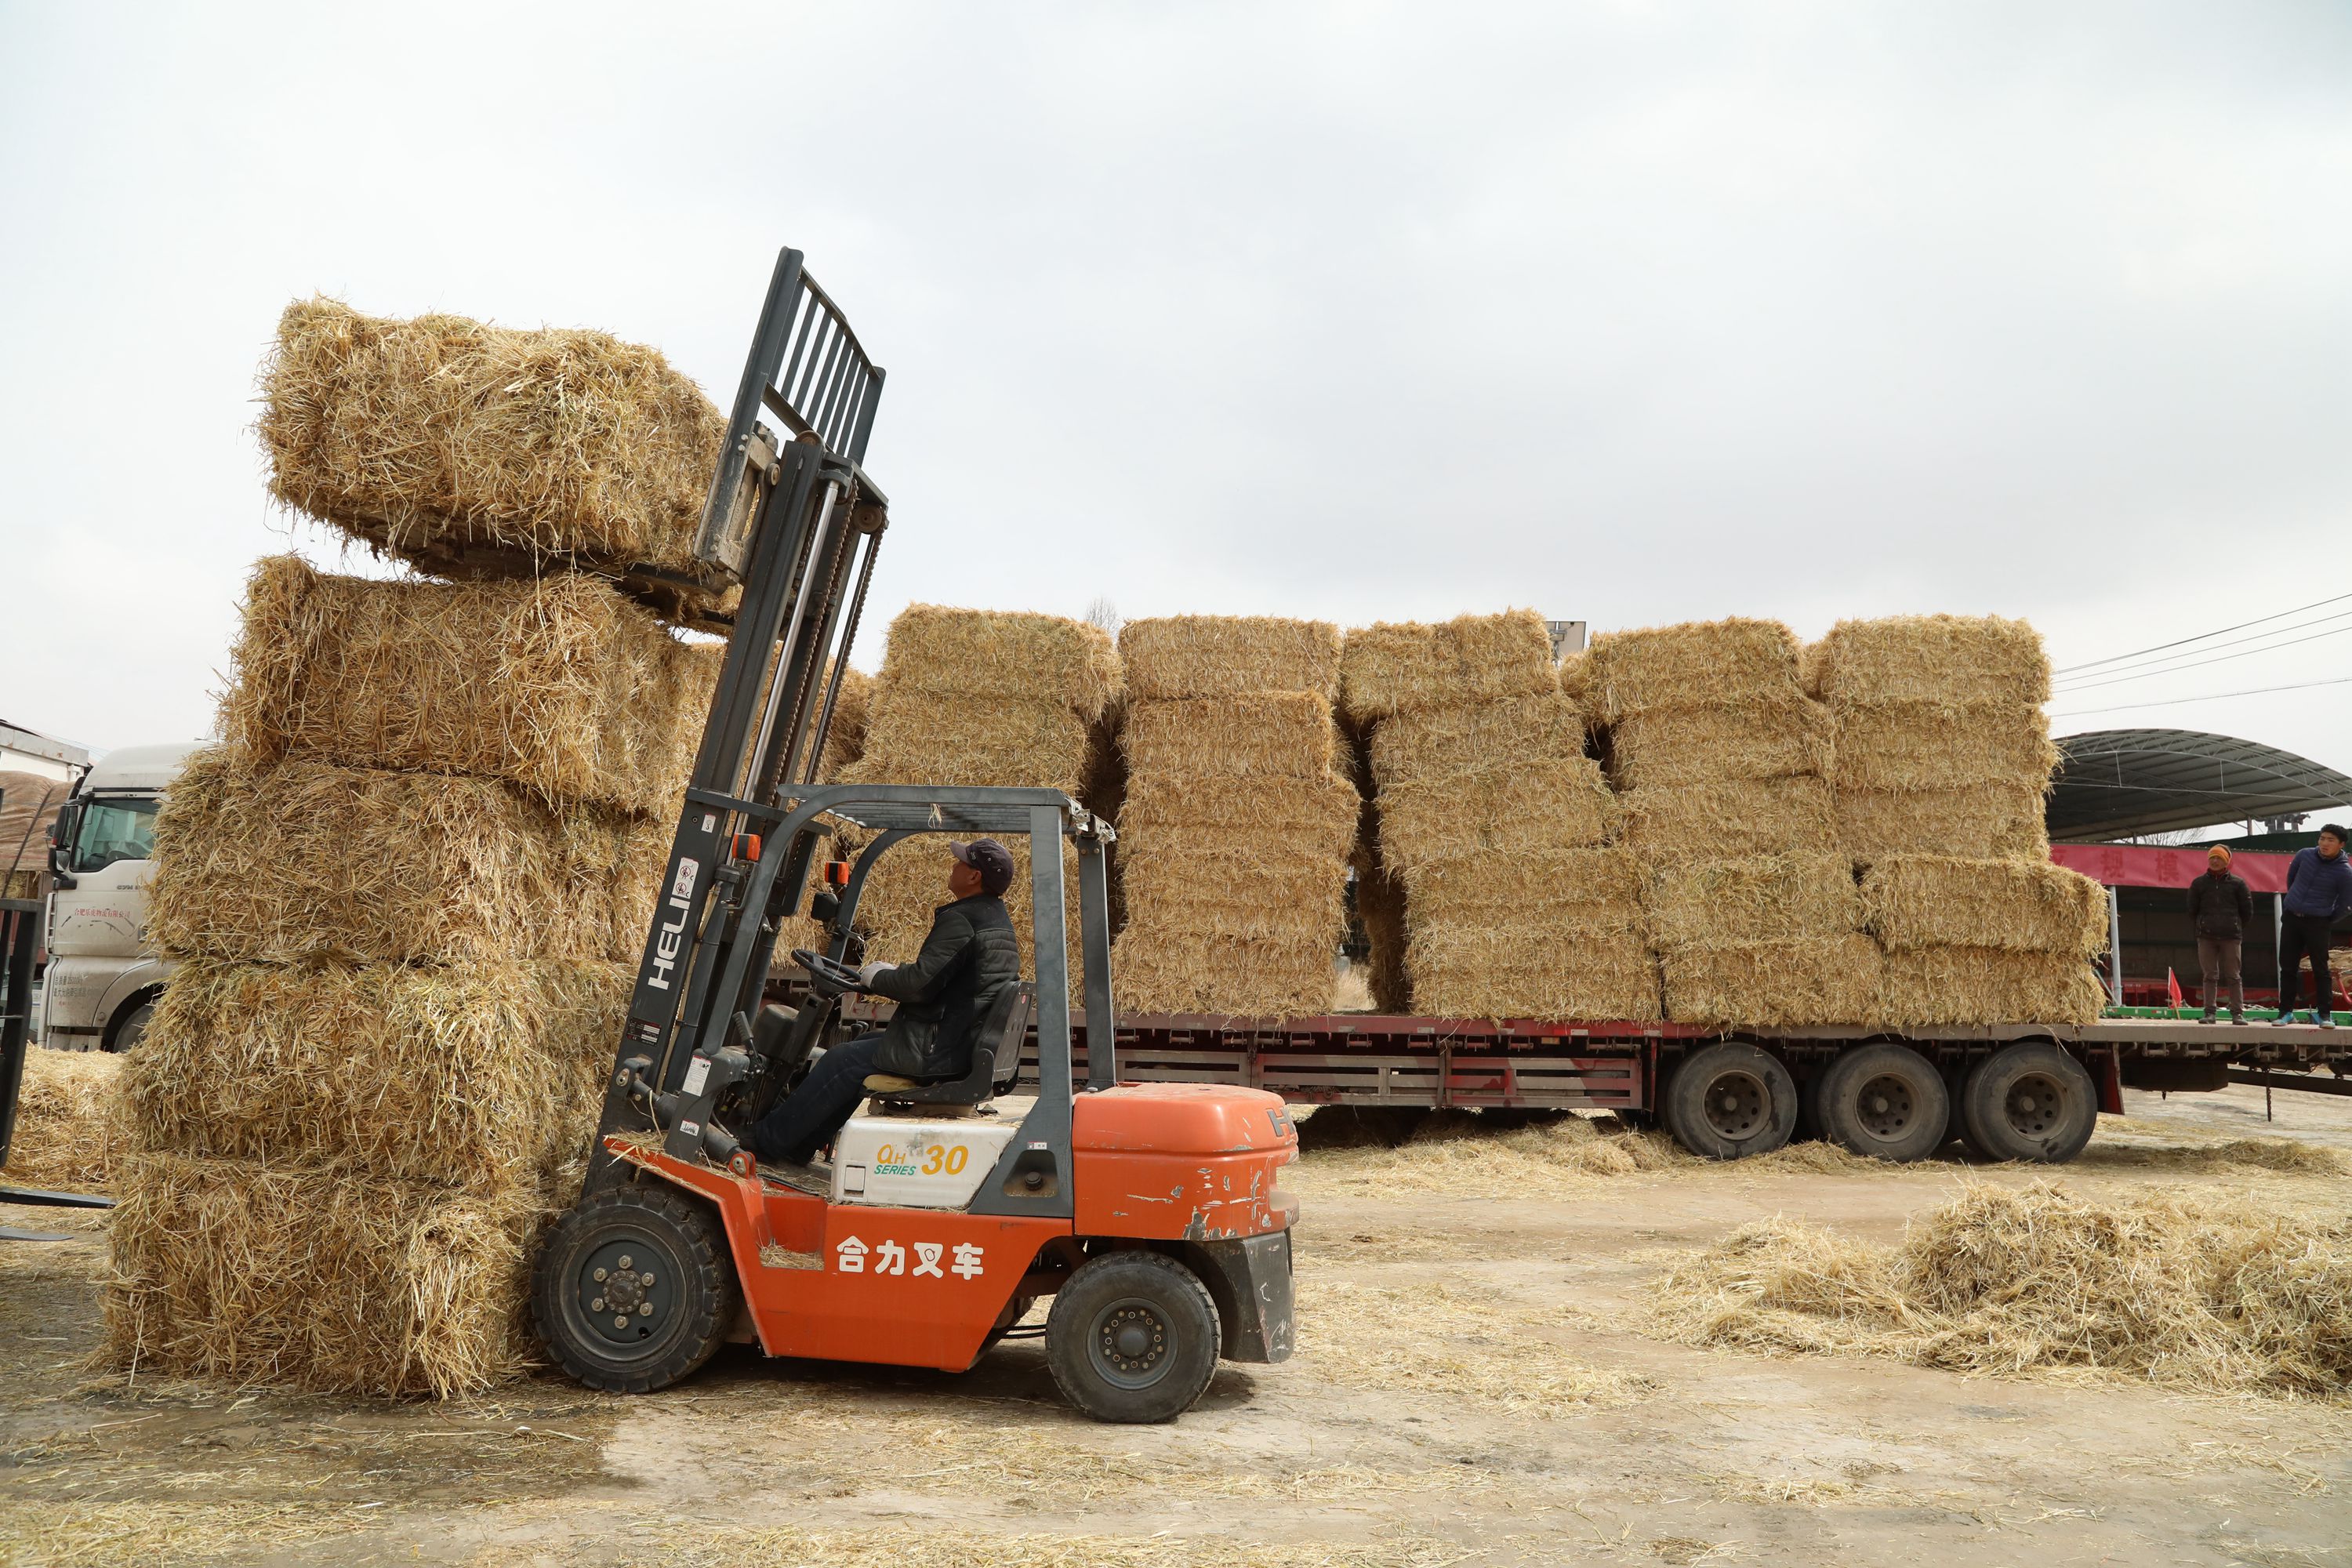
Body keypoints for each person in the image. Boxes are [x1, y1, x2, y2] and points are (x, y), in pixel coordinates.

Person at [745, 838, 1021, 1165]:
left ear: (974, 877)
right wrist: (893, 972)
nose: (953, 866)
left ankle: (766, 1142)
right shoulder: (996, 922)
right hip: (957, 1043)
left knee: (840, 1061)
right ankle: (800, 1144)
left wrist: (876, 978)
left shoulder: (963, 920)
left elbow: (920, 986)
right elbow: (946, 978)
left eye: (961, 863)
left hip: (938, 1052)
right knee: (865, 1044)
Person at [2274, 823, 2352, 1028]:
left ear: (2341, 844)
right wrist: (2294, 902)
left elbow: (2346, 903)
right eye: (2322, 838)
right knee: (2288, 967)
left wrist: (2325, 918)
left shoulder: (2345, 872)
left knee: (2321, 969)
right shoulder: (2304, 855)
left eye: (2330, 840)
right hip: (2292, 918)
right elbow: (2291, 879)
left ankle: (2325, 1016)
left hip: (2318, 922)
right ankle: (2285, 1013)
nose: (2324, 843)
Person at [2184, 844, 2252, 1024]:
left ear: (2227, 862)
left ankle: (2237, 1013)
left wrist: (2234, 926)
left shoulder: (2238, 884)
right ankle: (2209, 1013)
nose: (2215, 861)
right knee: (2209, 975)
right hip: (2206, 936)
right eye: (2212, 857)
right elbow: (2192, 909)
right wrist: (2204, 924)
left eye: (2219, 858)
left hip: (2231, 937)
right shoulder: (2199, 884)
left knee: (2234, 976)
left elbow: (2247, 911)